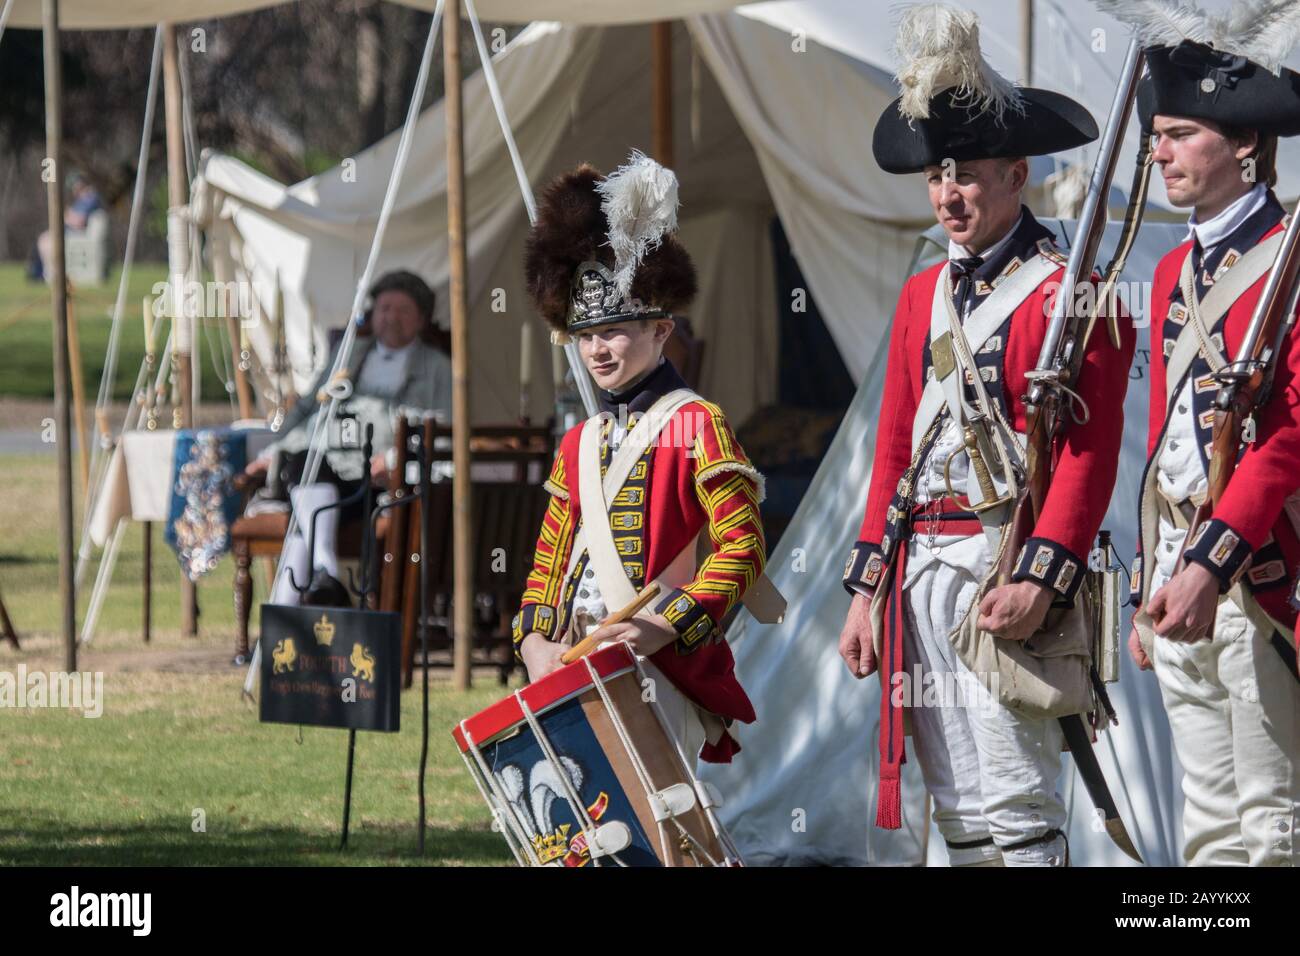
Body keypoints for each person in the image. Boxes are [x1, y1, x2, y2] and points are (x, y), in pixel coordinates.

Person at [836, 4, 1135, 866]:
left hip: (1001, 562)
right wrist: (865, 590)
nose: (947, 193)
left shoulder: (1073, 293)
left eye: (966, 173)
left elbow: (1089, 455)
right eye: (937, 175)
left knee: (1017, 797)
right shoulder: (920, 297)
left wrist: (1043, 577)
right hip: (918, 571)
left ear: (1018, 173)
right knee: (958, 807)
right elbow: (892, 451)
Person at [513, 152, 783, 765]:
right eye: (585, 337)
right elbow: (547, 563)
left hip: (653, 661)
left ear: (661, 331)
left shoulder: (697, 424)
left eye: (614, 331)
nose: (598, 350)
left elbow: (742, 550)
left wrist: (663, 625)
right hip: (569, 658)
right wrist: (533, 642)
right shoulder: (579, 442)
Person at [1108, 5, 1300, 866]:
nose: (1159, 153)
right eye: (1157, 135)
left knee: (1271, 825)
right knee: (1209, 830)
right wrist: (1154, 576)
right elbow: (1167, 444)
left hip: (1261, 576)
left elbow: (1291, 436)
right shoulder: (1172, 273)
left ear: (1246, 144)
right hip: (1181, 571)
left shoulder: (1291, 257)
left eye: (1181, 134)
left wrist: (1207, 567)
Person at [245, 269, 452, 607]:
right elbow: (307, 408)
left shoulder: (438, 368)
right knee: (302, 463)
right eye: (384, 309)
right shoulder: (349, 353)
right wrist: (274, 450)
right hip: (321, 465)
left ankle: (282, 619)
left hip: (377, 480)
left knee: (304, 514)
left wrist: (394, 459)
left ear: (421, 319)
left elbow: (444, 431)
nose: (391, 319)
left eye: (402, 310)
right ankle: (324, 571)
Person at [31, 173, 104, 281]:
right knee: (44, 239)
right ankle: (41, 272)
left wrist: (67, 215)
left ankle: (45, 274)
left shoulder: (89, 198)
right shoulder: (82, 200)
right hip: (68, 230)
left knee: (45, 240)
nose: (74, 190)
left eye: (75, 186)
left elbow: (79, 221)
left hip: (76, 232)